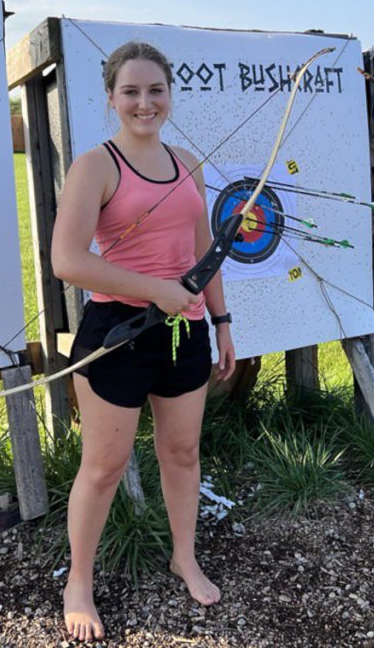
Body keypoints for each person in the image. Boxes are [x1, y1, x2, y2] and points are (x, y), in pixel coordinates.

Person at [51, 41, 236, 641]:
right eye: (131, 91)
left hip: (186, 334)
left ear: (169, 95)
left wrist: (223, 321)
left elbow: (204, 253)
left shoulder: (188, 162)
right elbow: (66, 261)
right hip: (119, 332)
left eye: (155, 90)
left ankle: (184, 554)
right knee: (104, 466)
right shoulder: (96, 165)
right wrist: (154, 289)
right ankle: (79, 581)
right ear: (111, 98)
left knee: (182, 455)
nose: (144, 102)